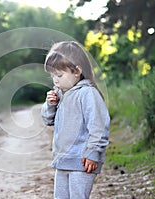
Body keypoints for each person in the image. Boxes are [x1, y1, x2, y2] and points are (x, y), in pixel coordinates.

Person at [41, 41, 110, 199]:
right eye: (52, 76)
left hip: (82, 161)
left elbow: (99, 125)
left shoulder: (87, 93)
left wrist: (93, 152)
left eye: (59, 75)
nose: (55, 80)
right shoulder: (61, 93)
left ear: (77, 71)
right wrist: (50, 105)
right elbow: (47, 120)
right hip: (63, 159)